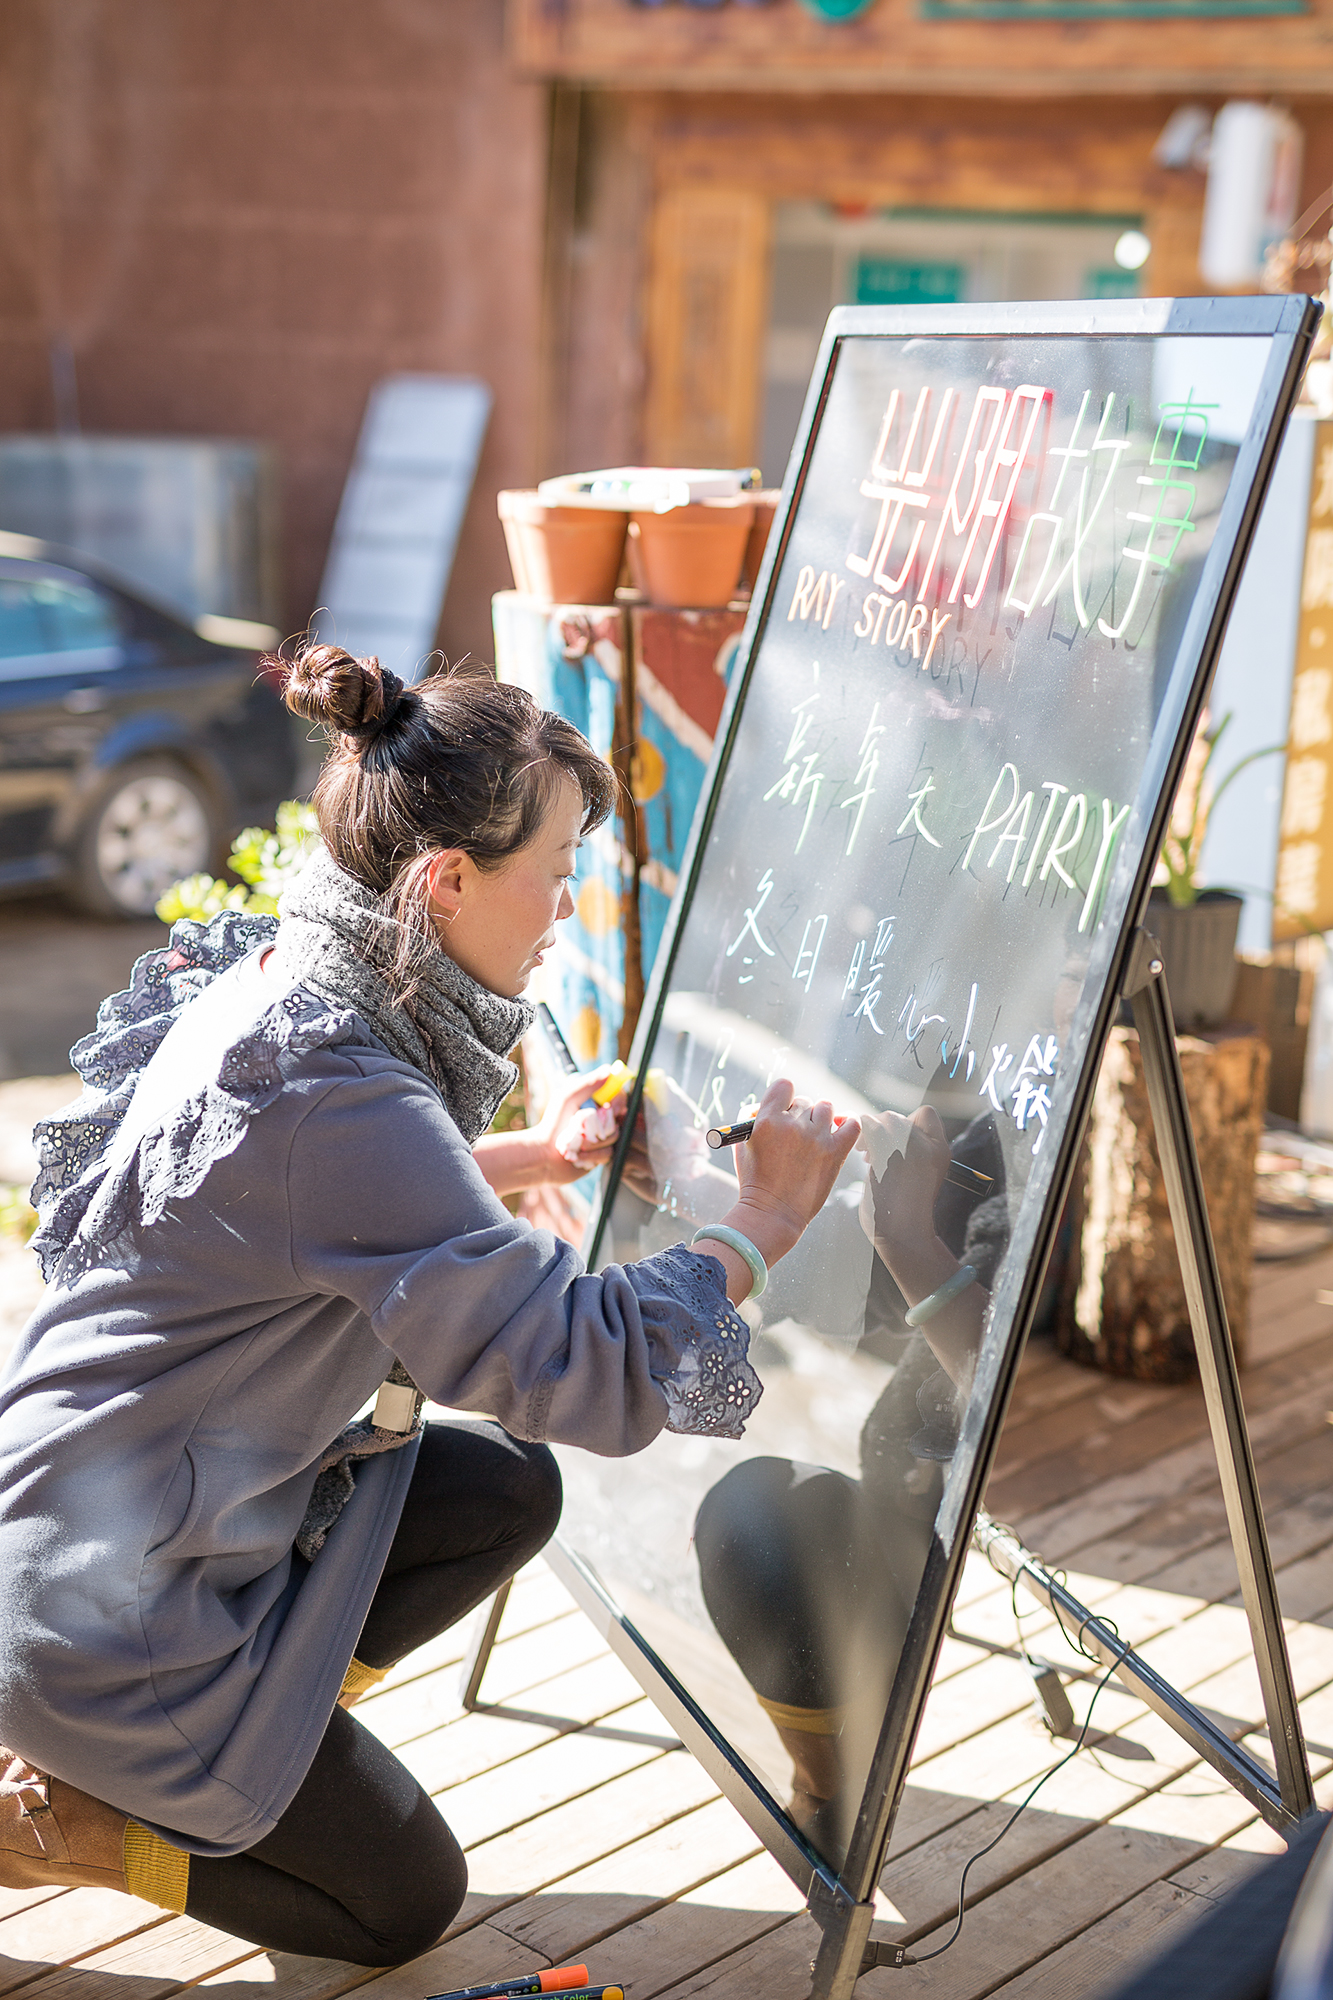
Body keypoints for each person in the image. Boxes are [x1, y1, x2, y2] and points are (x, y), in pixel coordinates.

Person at [0, 645, 860, 1967]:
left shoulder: (291, 984)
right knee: (400, 1904)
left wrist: (535, 1161)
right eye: (557, 873)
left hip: (91, 1528)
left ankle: (262, 1742)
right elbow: (586, 1369)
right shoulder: (344, 1096)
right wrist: (767, 1219)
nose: (567, 908)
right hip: (105, 1623)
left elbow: (303, 1211)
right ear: (446, 881)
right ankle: (76, 1804)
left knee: (502, 1490)